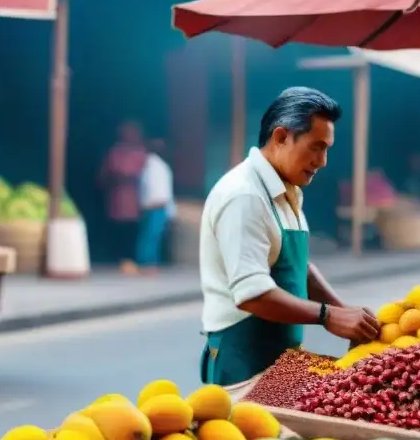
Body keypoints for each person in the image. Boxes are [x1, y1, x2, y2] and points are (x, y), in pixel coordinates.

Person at [199, 87, 380, 386]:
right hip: (242, 362)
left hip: (281, 360)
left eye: (327, 149)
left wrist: (343, 311)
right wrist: (328, 316)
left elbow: (297, 266)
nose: (322, 161)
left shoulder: (287, 190)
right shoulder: (244, 196)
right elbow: (252, 294)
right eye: (316, 147)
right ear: (281, 137)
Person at [99, 121, 148, 274]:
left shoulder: (142, 153)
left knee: (133, 232)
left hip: (136, 203)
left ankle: (131, 260)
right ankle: (118, 260)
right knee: (117, 231)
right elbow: (103, 176)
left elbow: (147, 177)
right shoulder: (114, 152)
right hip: (116, 201)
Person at [136, 139, 176, 274]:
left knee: (151, 237)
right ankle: (147, 265)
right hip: (156, 207)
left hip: (156, 207)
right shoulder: (155, 166)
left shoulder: (155, 166)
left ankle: (148, 265)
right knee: (151, 237)